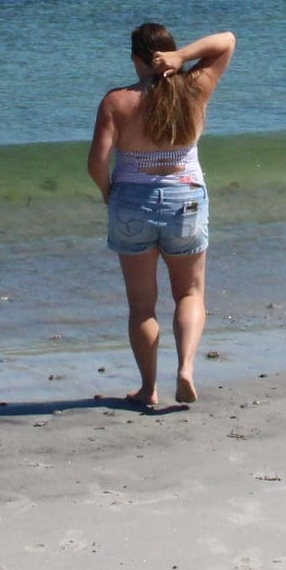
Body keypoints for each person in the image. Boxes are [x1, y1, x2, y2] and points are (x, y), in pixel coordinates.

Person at [86, 23, 236, 408]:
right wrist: (183, 58)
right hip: (185, 198)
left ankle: (148, 388)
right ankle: (185, 368)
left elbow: (97, 163)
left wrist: (108, 193)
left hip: (131, 202)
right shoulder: (195, 88)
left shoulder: (117, 101)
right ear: (166, 52)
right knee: (189, 292)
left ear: (137, 59)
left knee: (141, 304)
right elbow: (227, 41)